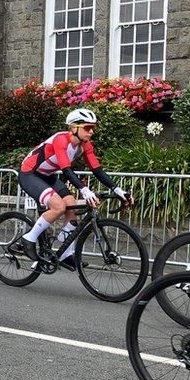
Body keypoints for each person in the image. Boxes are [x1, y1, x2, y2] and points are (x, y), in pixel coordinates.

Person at [15, 108, 131, 268]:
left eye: (93, 128)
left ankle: (65, 253)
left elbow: (97, 170)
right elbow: (66, 169)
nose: (91, 132)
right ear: (74, 127)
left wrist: (118, 191)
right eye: (88, 128)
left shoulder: (85, 145)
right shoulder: (61, 140)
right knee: (59, 207)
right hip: (30, 174)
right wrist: (85, 191)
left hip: (48, 176)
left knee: (71, 205)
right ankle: (29, 238)